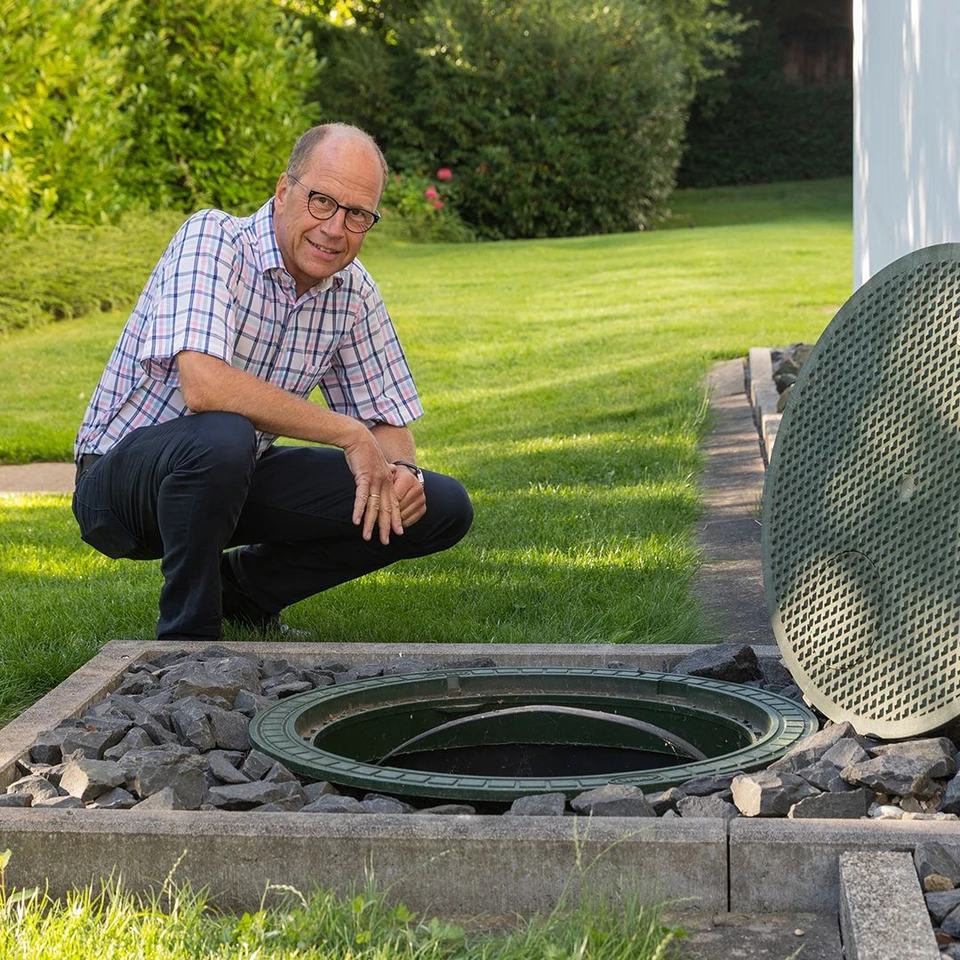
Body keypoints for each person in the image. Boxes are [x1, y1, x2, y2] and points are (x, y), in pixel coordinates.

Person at [72, 122, 473, 641]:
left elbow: (385, 418)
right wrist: (348, 435)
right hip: (122, 486)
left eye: (357, 215)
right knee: (223, 432)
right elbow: (204, 388)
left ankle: (245, 592)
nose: (335, 228)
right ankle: (188, 640)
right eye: (322, 201)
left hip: (232, 477)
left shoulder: (352, 292)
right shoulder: (214, 238)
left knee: (439, 507)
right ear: (284, 191)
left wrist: (402, 472)